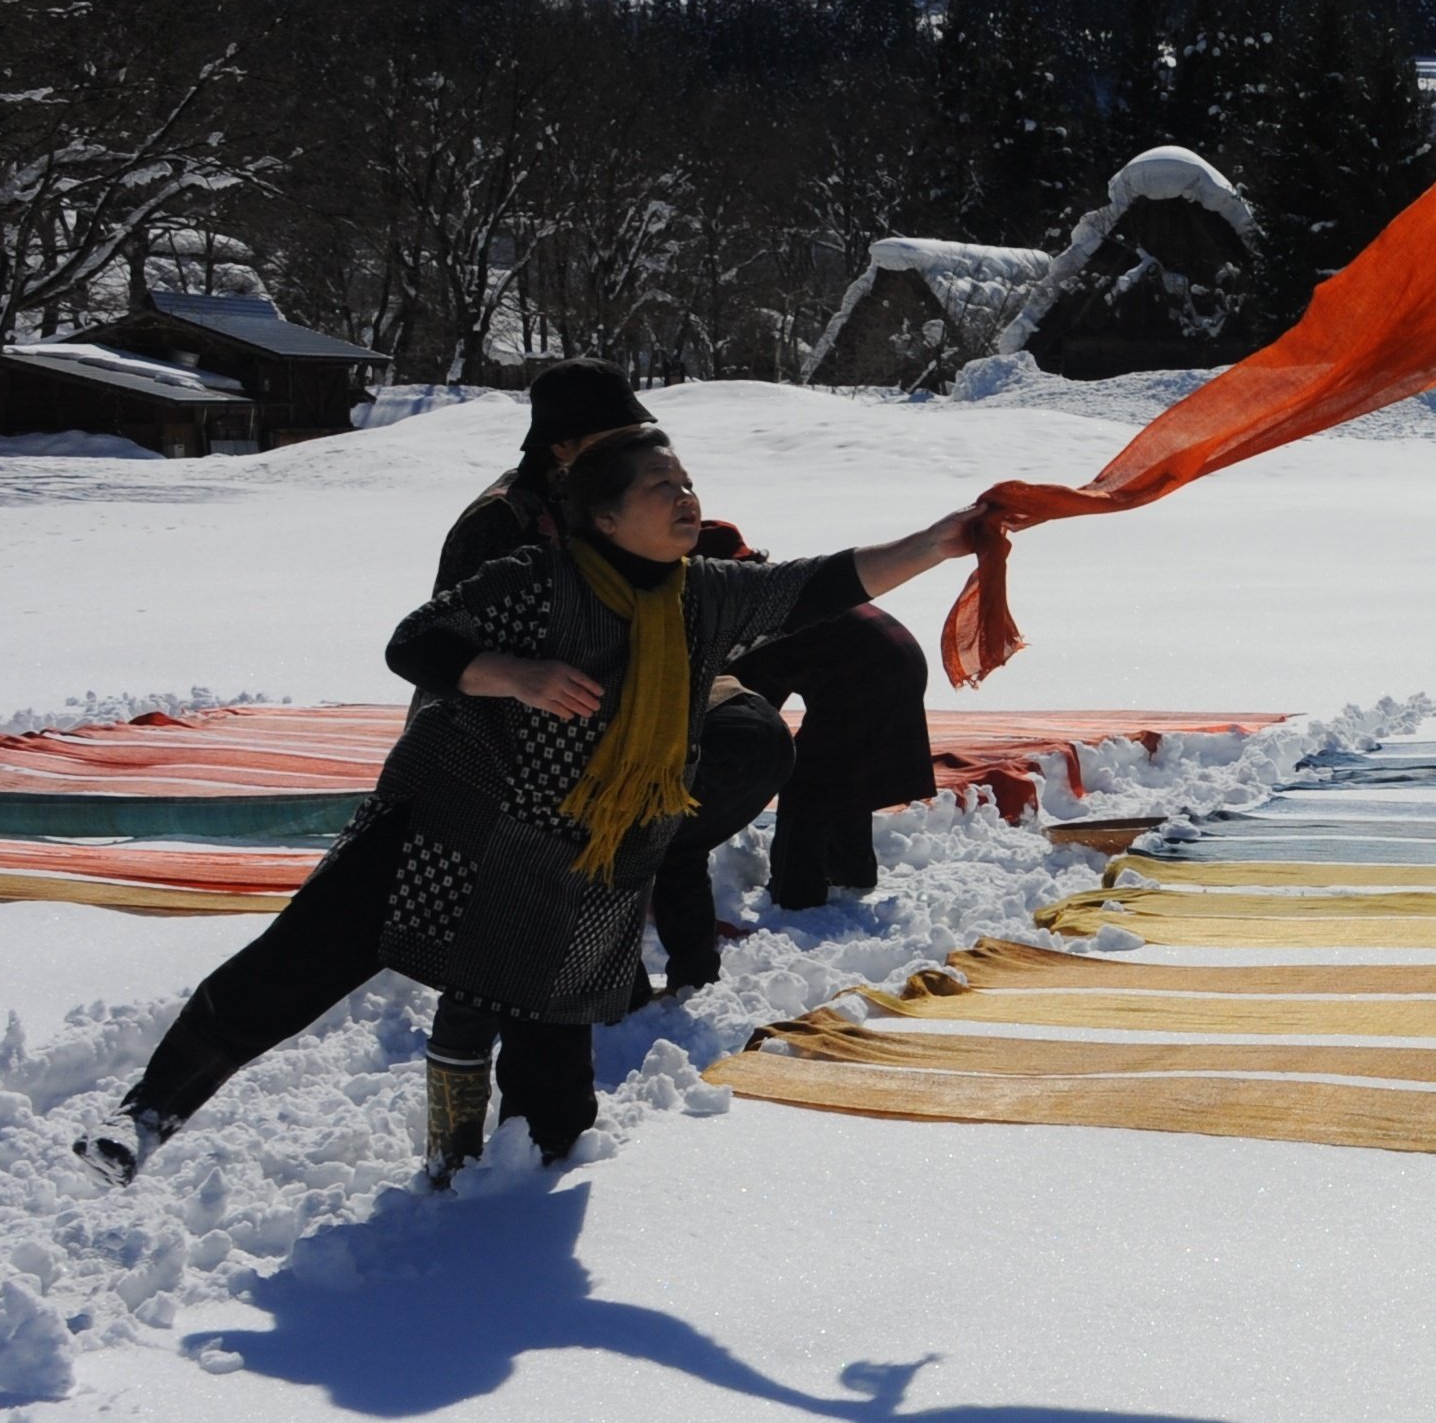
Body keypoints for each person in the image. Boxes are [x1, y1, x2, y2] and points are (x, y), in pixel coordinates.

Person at [95, 426, 995, 1186]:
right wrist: (511, 674)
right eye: (660, 487)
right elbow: (416, 642)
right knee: (300, 962)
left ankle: (516, 1210)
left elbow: (825, 582)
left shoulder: (707, 597)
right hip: (451, 820)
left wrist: (940, 539)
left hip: (572, 859)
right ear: (604, 517)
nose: (685, 498)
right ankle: (146, 1116)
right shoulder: (536, 581)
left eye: (687, 482)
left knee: (555, 1095)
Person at [439, 364, 796, 988]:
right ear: (562, 446)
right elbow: (446, 645)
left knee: (748, 737)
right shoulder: (501, 522)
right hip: (528, 719)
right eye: (617, 436)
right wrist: (526, 677)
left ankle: (665, 892)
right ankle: (600, 954)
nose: (636, 448)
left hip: (627, 687)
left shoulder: (621, 488)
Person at [690, 518, 941, 911]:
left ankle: (795, 894)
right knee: (846, 772)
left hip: (866, 672)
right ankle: (851, 869)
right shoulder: (776, 585)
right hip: (897, 658)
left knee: (808, 781)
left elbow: (750, 704)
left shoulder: (749, 612)